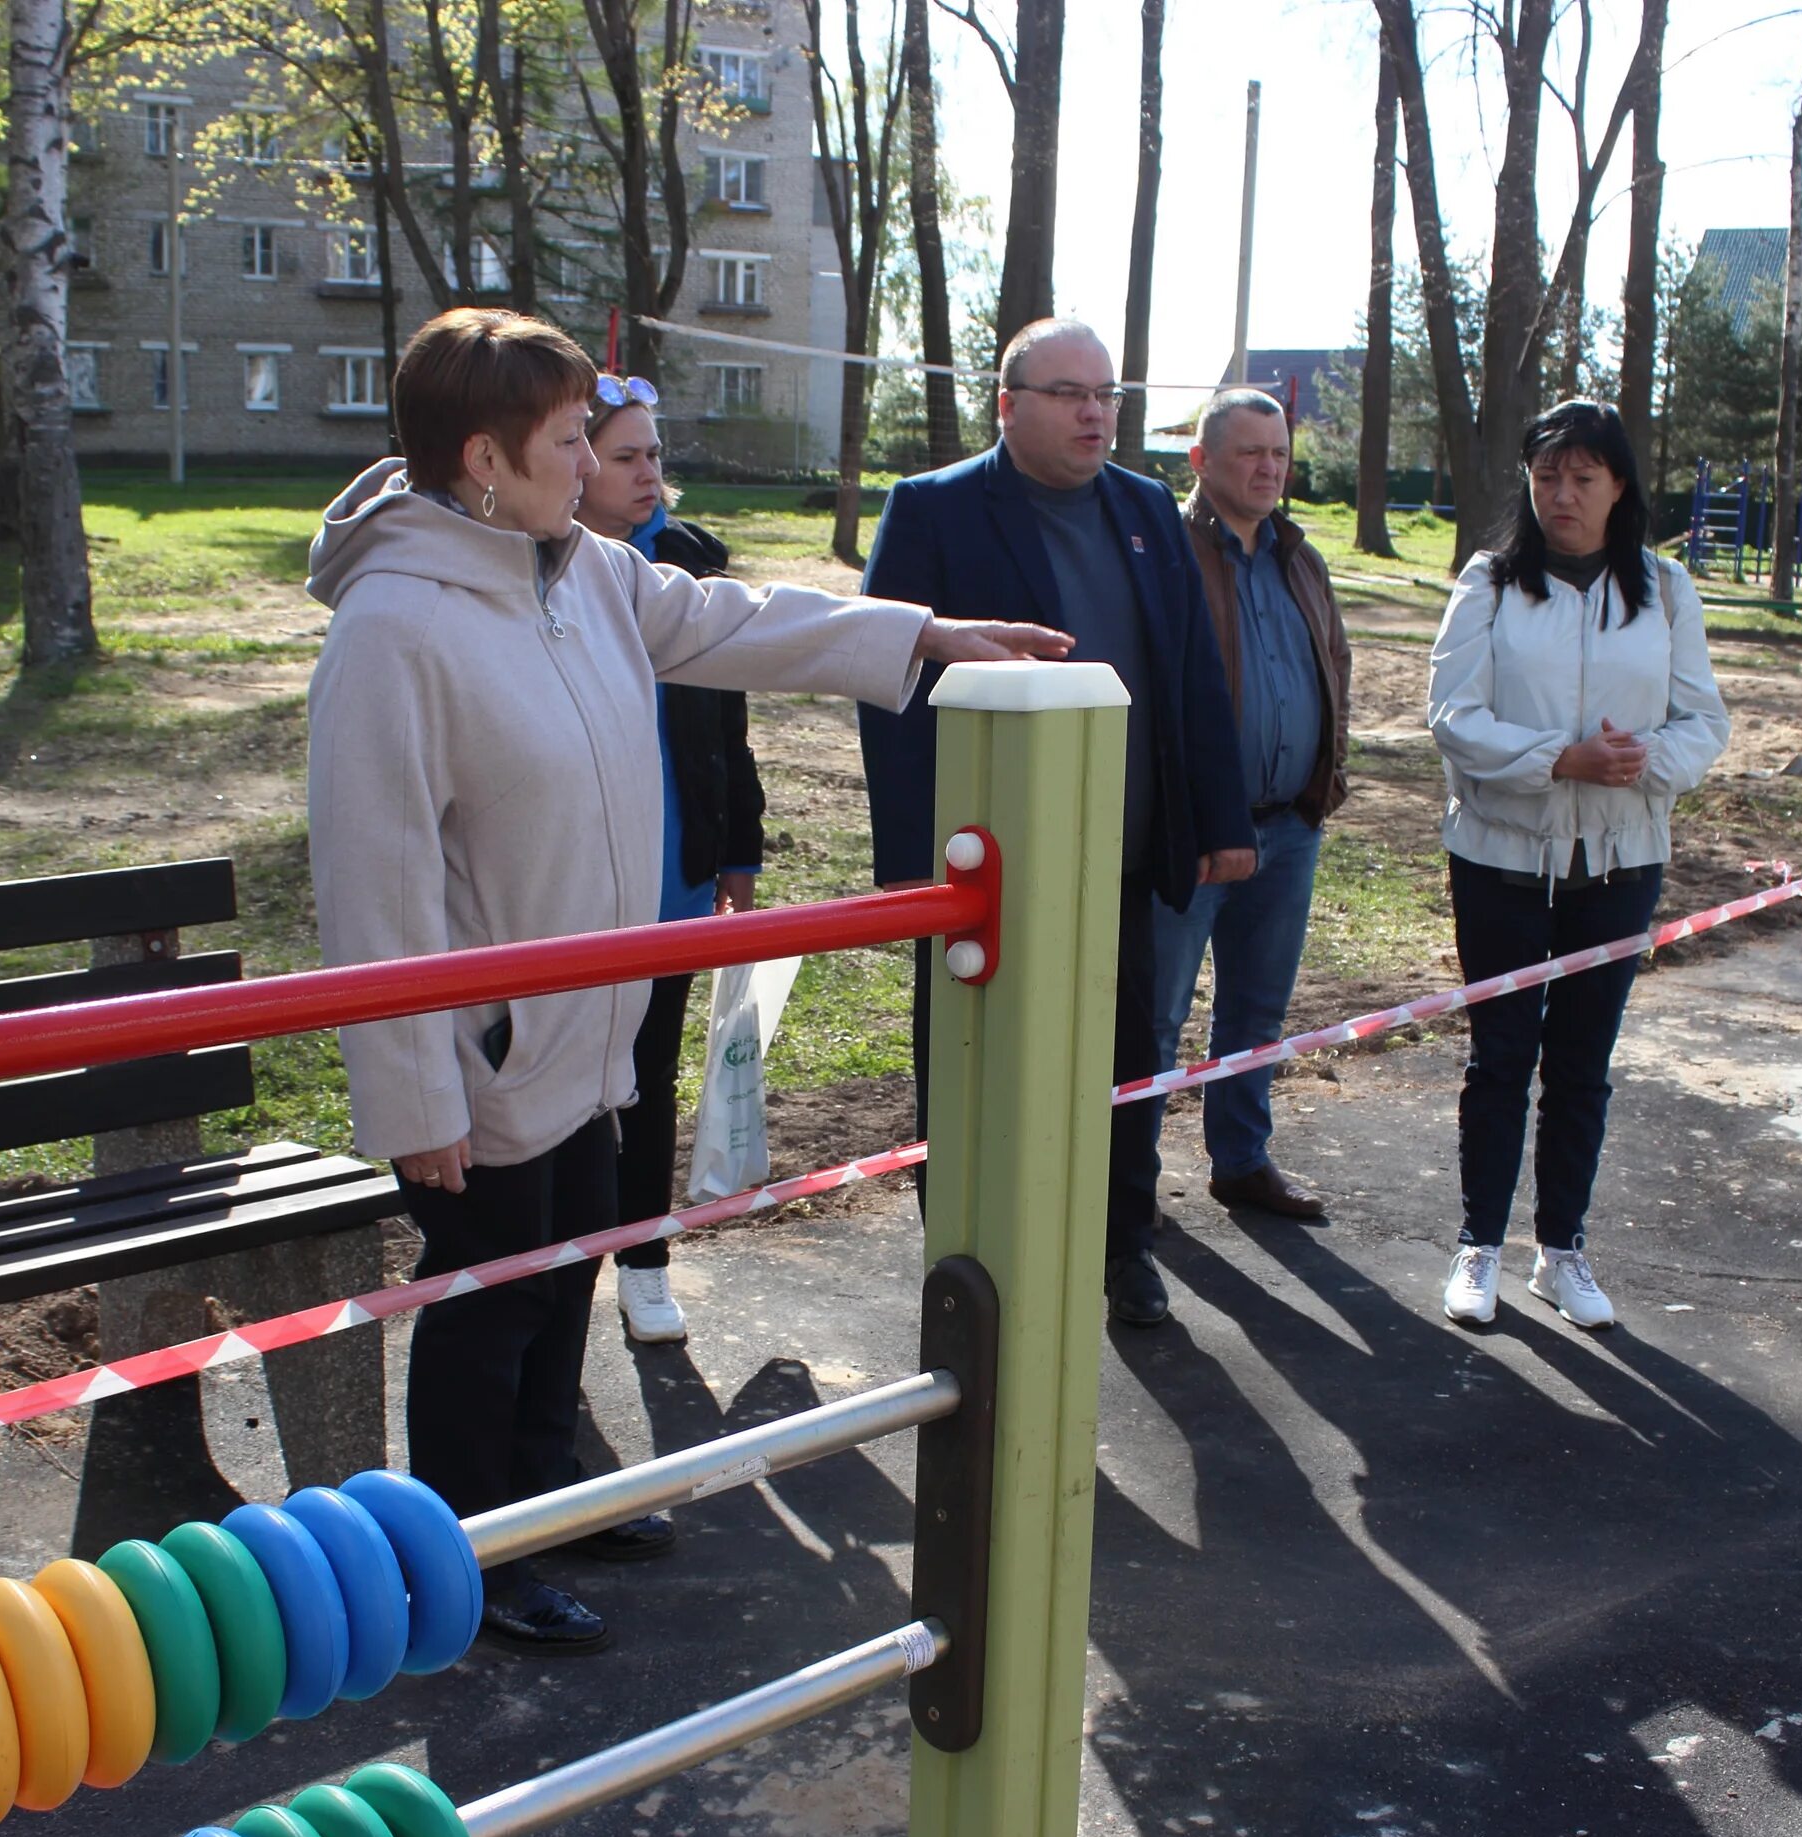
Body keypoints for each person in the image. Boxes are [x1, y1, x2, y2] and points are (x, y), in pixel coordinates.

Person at [306, 308, 1067, 1652]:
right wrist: (414, 1088)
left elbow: (732, 621)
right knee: (489, 1299)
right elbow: (375, 884)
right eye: (565, 440)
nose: (592, 461)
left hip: (594, 1025)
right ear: (486, 458)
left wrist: (928, 637)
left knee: (573, 1265)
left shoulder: (579, 571)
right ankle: (470, 1551)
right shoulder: (395, 624)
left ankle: (548, 1494)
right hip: (484, 1047)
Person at [861, 319, 1255, 1332]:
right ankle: (962, 1252)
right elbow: (889, 697)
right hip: (985, 872)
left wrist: (1218, 816)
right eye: (1068, 392)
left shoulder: (1145, 508)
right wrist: (916, 870)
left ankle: (1124, 1248)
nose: (1094, 413)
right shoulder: (934, 510)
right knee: (969, 1064)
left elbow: (1188, 677)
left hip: (1115, 857)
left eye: (1106, 394)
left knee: (1125, 1060)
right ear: (1009, 403)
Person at [1425, 399, 1728, 1331]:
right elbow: (1453, 717)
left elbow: (1703, 719)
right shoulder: (1488, 582)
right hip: (1502, 862)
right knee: (1501, 1057)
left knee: (1584, 1065)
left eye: (1583, 477)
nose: (1561, 494)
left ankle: (1563, 1252)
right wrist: (1559, 757)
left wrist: (1642, 767)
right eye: (1546, 474)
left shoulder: (1666, 589)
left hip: (1621, 862)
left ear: (1619, 487)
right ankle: (1479, 1243)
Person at [570, 375, 756, 1347]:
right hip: (566, 895)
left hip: (674, 878)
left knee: (645, 1081)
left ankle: (643, 1263)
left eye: (657, 454)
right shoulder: (536, 566)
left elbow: (726, 721)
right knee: (565, 1100)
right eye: (628, 455)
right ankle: (558, 1271)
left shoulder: (688, 561)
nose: (652, 474)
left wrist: (739, 850)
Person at [1153, 388, 1354, 1224]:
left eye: (1279, 453)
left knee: (1257, 1007)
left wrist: (1320, 784)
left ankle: (1241, 1161)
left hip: (1288, 825)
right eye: (1249, 453)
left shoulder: (1298, 555)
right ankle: (1123, 1181)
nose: (1269, 468)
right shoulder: (1165, 552)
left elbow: (1332, 661)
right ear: (1201, 460)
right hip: (1194, 832)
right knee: (1154, 1013)